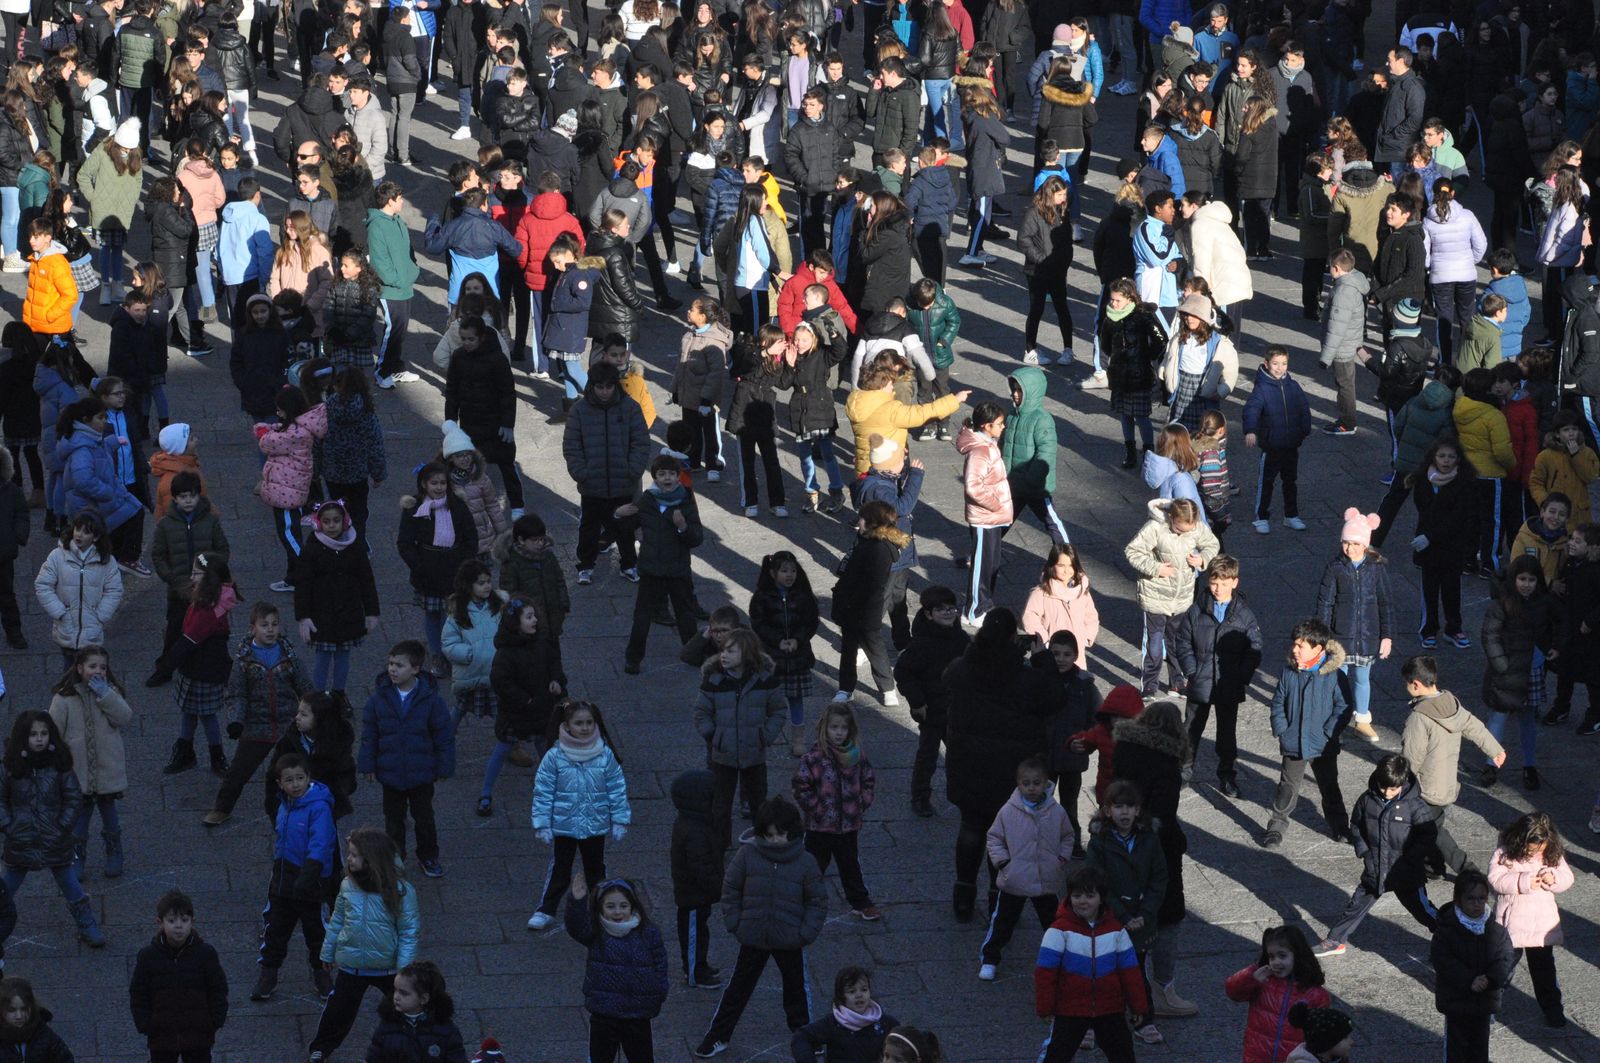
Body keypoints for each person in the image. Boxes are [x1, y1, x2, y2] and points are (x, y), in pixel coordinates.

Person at [943, 609, 1056, 921]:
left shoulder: (962, 670)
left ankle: (963, 896)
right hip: (1011, 770)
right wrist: (1042, 659)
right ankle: (997, 898)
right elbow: (1055, 699)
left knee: (971, 827)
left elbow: (947, 685)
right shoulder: (1027, 678)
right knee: (1005, 834)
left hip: (968, 764)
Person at [693, 796, 826, 1058]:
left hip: (789, 938)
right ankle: (718, 1035)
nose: (775, 841)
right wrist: (735, 923)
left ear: (793, 832)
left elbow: (817, 900)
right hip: (753, 936)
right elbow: (730, 889)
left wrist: (806, 933)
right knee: (738, 989)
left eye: (780, 834)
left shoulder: (805, 862)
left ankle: (806, 1035)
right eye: (769, 835)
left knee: (796, 990)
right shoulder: (748, 855)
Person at [308, 827, 421, 1060]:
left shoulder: (400, 890)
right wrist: (327, 953)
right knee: (338, 1012)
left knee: (405, 1010)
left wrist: (404, 967)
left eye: (354, 855)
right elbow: (337, 919)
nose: (348, 859)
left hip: (388, 967)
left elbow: (409, 931)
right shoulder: (348, 885)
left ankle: (420, 1046)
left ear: (371, 860)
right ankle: (320, 1048)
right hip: (353, 965)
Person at [1310, 753, 1438, 957]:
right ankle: (1335, 940)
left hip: (1405, 872)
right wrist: (1364, 852)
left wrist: (1411, 858)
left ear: (1403, 783)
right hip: (1375, 869)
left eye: (1393, 788)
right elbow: (1356, 826)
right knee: (1355, 906)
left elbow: (1428, 834)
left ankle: (1450, 938)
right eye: (1383, 786)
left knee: (1424, 910)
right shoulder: (1366, 800)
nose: (1387, 792)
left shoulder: (1415, 806)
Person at [1398, 654, 1504, 876]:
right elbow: (1475, 727)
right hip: (1446, 784)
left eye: (1407, 685)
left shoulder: (1419, 717)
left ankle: (1467, 870)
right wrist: (1495, 750)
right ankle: (1433, 866)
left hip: (1426, 788)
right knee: (1430, 828)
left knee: (1434, 830)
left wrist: (1401, 785)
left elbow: (1412, 757)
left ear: (1415, 684)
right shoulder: (1452, 704)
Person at [205, 600, 308, 826]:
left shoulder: (289, 657)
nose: (270, 629)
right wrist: (236, 721)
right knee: (238, 771)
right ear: (253, 628)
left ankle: (303, 806)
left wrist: (313, 713)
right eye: (264, 625)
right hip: (256, 724)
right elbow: (237, 693)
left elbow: (305, 688)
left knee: (294, 770)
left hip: (287, 723)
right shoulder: (244, 661)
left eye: (274, 624)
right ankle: (222, 808)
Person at [528, 699, 630, 929]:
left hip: (594, 824)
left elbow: (617, 787)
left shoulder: (604, 755)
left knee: (596, 869)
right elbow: (543, 791)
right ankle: (546, 908)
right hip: (564, 824)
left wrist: (620, 819)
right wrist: (542, 823)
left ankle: (601, 908)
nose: (584, 728)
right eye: (579, 723)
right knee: (559, 869)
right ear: (567, 725)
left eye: (589, 723)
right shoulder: (554, 756)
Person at [358, 640, 455, 879]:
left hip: (421, 773)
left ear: (415, 669)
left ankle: (428, 856)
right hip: (391, 774)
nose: (392, 669)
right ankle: (395, 857)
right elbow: (369, 734)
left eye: (399, 665)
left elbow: (443, 734)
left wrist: (444, 766)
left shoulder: (430, 700)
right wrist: (367, 764)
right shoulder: (379, 699)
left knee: (424, 818)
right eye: (390, 664)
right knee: (393, 819)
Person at [1033, 865, 1147, 1063]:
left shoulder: (1116, 931)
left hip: (1109, 1008)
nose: (1082, 901)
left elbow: (1130, 973)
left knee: (1123, 1056)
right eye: (1077, 896)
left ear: (1101, 898)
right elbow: (1045, 973)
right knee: (1058, 1056)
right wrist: (1045, 1007)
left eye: (1089, 896)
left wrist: (1139, 1006)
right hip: (1070, 1009)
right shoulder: (1058, 930)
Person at [1172, 555, 1261, 795]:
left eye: (1223, 582)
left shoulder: (1244, 615)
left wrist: (1240, 677)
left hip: (1228, 684)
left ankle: (1227, 775)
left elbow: (1254, 650)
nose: (1218, 588)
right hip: (1200, 682)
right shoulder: (1197, 609)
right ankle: (1182, 772)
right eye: (1213, 582)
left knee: (1226, 734)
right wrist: (1191, 671)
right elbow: (1183, 642)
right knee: (1191, 729)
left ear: (1234, 582)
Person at [1260, 618, 1352, 849]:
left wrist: (1328, 732)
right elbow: (1278, 701)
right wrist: (1282, 728)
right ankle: (1276, 826)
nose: (1295, 649)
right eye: (1295, 644)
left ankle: (1340, 826)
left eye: (1301, 645)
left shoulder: (1334, 676)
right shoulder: (1290, 672)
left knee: (1329, 786)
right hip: (1294, 742)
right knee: (1287, 787)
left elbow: (1344, 707)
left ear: (1318, 649)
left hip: (1323, 744)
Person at [980, 755, 1073, 981]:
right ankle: (990, 958)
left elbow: (1067, 836)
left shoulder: (1056, 811)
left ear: (1046, 783)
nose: (1031, 788)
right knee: (1002, 921)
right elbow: (994, 838)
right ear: (1018, 784)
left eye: (1036, 783)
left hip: (1045, 878)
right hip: (1016, 878)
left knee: (1053, 923)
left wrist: (1061, 859)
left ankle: (1064, 960)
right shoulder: (1009, 810)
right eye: (1026, 783)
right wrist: (1003, 862)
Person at [693, 627, 786, 849]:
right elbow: (701, 712)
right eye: (723, 650)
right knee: (720, 806)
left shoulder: (765, 681)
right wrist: (713, 735)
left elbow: (778, 711)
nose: (724, 655)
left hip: (754, 753)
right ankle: (720, 846)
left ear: (746, 653)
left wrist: (766, 735)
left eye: (731, 651)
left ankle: (761, 844)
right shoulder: (714, 681)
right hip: (722, 756)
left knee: (758, 804)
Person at [45, 645, 130, 880]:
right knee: (80, 820)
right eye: (93, 666)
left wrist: (106, 695)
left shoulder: (110, 692)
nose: (98, 671)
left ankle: (115, 852)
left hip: (106, 770)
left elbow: (124, 717)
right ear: (80, 668)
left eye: (103, 667)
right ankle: (77, 856)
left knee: (110, 816)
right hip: (78, 771)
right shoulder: (64, 698)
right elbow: (54, 732)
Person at [563, 362, 651, 586]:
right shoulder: (579, 411)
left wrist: (633, 470)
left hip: (623, 482)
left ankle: (629, 564)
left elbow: (640, 442)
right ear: (592, 386)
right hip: (592, 484)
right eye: (599, 387)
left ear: (615, 386)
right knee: (589, 527)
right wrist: (581, 473)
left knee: (625, 529)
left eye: (608, 387)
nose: (604, 392)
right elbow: (572, 446)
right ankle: (585, 565)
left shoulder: (630, 408)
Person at [563, 875, 669, 1063]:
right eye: (610, 906)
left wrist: (658, 992)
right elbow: (576, 926)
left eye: (623, 906)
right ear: (601, 909)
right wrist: (577, 901)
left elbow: (660, 964)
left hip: (637, 1013)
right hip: (605, 1013)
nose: (617, 912)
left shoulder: (648, 932)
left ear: (632, 906)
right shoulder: (596, 932)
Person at [1125, 498, 1220, 698]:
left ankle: (1177, 682)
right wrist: (1156, 568)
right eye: (1179, 530)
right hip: (1155, 596)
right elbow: (1132, 551)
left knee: (1178, 640)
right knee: (1154, 642)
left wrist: (1203, 558)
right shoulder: (1155, 527)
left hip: (1182, 597)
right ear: (1171, 518)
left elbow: (1212, 544)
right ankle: (1149, 684)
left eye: (1189, 530)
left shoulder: (1196, 527)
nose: (1185, 533)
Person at [1487, 811, 1573, 1028]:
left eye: (1540, 848)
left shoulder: (1552, 854)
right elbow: (1496, 880)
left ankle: (1553, 1009)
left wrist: (1553, 878)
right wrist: (1523, 881)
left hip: (1541, 926)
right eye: (1531, 849)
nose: (1535, 853)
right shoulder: (1504, 852)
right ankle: (1488, 1006)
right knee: (1502, 968)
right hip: (1512, 923)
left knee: (1544, 971)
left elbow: (1567, 877)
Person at [1478, 555, 1556, 791]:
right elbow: (1489, 636)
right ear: (1514, 579)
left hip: (1530, 669)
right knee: (1498, 718)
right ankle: (1490, 763)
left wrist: (1552, 648)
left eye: (1531, 579)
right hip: (1507, 671)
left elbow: (1556, 625)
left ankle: (1529, 765)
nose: (1526, 584)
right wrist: (1501, 665)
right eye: (1522, 579)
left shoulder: (1543, 602)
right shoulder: (1501, 603)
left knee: (1527, 719)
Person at [128, 889, 230, 1063]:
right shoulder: (148, 956)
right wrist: (146, 1024)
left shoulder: (205, 954)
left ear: (193, 922)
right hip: (162, 1035)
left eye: (184, 920)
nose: (178, 926)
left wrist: (214, 1021)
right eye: (172, 920)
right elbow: (138, 992)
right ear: (160, 923)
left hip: (198, 1033)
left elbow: (218, 989)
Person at [894, 586, 969, 818]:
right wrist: (917, 702)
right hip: (930, 709)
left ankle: (960, 794)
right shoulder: (921, 644)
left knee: (959, 755)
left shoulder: (961, 639)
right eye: (941, 609)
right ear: (928, 613)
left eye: (951, 609)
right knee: (928, 755)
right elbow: (904, 673)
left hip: (956, 709)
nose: (948, 613)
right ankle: (920, 796)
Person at [292, 499, 380, 693]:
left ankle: (339, 693)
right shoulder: (312, 550)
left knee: (343, 654)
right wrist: (304, 616)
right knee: (323, 655)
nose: (331, 525)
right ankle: (318, 695)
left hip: (348, 611)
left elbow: (366, 580)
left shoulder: (355, 548)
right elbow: (303, 585)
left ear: (344, 521)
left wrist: (371, 611)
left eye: (336, 520)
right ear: (319, 522)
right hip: (321, 613)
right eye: (327, 521)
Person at [397, 463, 478, 671]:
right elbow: (404, 542)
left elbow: (470, 537)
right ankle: (437, 655)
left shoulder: (458, 506)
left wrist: (465, 564)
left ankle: (453, 653)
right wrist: (418, 565)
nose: (439, 487)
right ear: (424, 484)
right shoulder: (414, 508)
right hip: (427, 569)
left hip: (455, 569)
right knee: (433, 615)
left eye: (443, 483)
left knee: (455, 615)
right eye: (434, 483)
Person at [1429, 870, 1515, 1063]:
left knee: (1479, 1050)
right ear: (1458, 899)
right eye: (1471, 899)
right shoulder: (1446, 930)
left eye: (1481, 899)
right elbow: (1443, 961)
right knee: (1456, 1050)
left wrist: (1491, 978)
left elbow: (1505, 958)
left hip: (1484, 1001)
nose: (1477, 904)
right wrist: (1469, 980)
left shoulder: (1496, 930)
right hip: (1457, 1001)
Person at [749, 551, 821, 757]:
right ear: (772, 573)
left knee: (796, 698)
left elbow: (811, 622)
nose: (789, 575)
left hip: (797, 656)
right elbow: (758, 624)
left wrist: (797, 640)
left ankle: (798, 738)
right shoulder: (762, 597)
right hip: (772, 657)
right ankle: (761, 735)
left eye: (793, 571)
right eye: (784, 571)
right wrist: (777, 641)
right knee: (766, 698)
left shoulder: (803, 595)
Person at [1223, 926, 1330, 1063]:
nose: (1276, 962)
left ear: (1298, 955)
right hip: (1256, 1057)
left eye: (1282, 955)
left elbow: (1322, 1033)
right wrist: (1250, 976)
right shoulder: (1263, 981)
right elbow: (1233, 992)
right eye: (1271, 957)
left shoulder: (1315, 994)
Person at [34, 512, 124, 665]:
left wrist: (101, 615)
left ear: (95, 537)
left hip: (92, 632)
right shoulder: (57, 556)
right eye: (77, 529)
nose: (79, 535)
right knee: (69, 673)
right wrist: (60, 612)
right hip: (66, 629)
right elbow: (43, 585)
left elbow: (114, 590)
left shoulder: (106, 561)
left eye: (86, 532)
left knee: (90, 675)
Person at [957, 401, 1013, 628]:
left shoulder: (989, 445)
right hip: (984, 518)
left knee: (991, 564)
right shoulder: (981, 451)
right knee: (981, 566)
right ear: (987, 426)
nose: (1003, 427)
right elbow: (973, 486)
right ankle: (974, 610)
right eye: (1000, 424)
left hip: (992, 519)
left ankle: (984, 604)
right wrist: (995, 504)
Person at [440, 560, 505, 727]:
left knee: (503, 709)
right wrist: (469, 654)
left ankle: (510, 744)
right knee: (460, 707)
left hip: (497, 669)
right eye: (481, 583)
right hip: (472, 671)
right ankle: (445, 734)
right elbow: (449, 642)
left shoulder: (499, 605)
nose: (487, 586)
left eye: (488, 582)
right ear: (468, 585)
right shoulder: (458, 612)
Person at [364, 962, 467, 1063]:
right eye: (395, 990)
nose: (396, 997)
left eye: (404, 993)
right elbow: (373, 1057)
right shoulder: (387, 1026)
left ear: (423, 999)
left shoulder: (446, 1031)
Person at [790, 966, 897, 1061]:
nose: (859, 995)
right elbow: (801, 1037)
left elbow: (906, 1042)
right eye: (852, 991)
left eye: (864, 989)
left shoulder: (884, 1022)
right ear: (841, 997)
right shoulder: (833, 1023)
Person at [1317, 249, 1367, 436]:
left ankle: (1348, 422)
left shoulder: (1343, 292)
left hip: (1342, 347)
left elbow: (1337, 328)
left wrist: (1326, 358)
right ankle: (1347, 419)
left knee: (1344, 385)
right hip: (1349, 341)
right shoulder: (1353, 281)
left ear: (1336, 268)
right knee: (1346, 383)